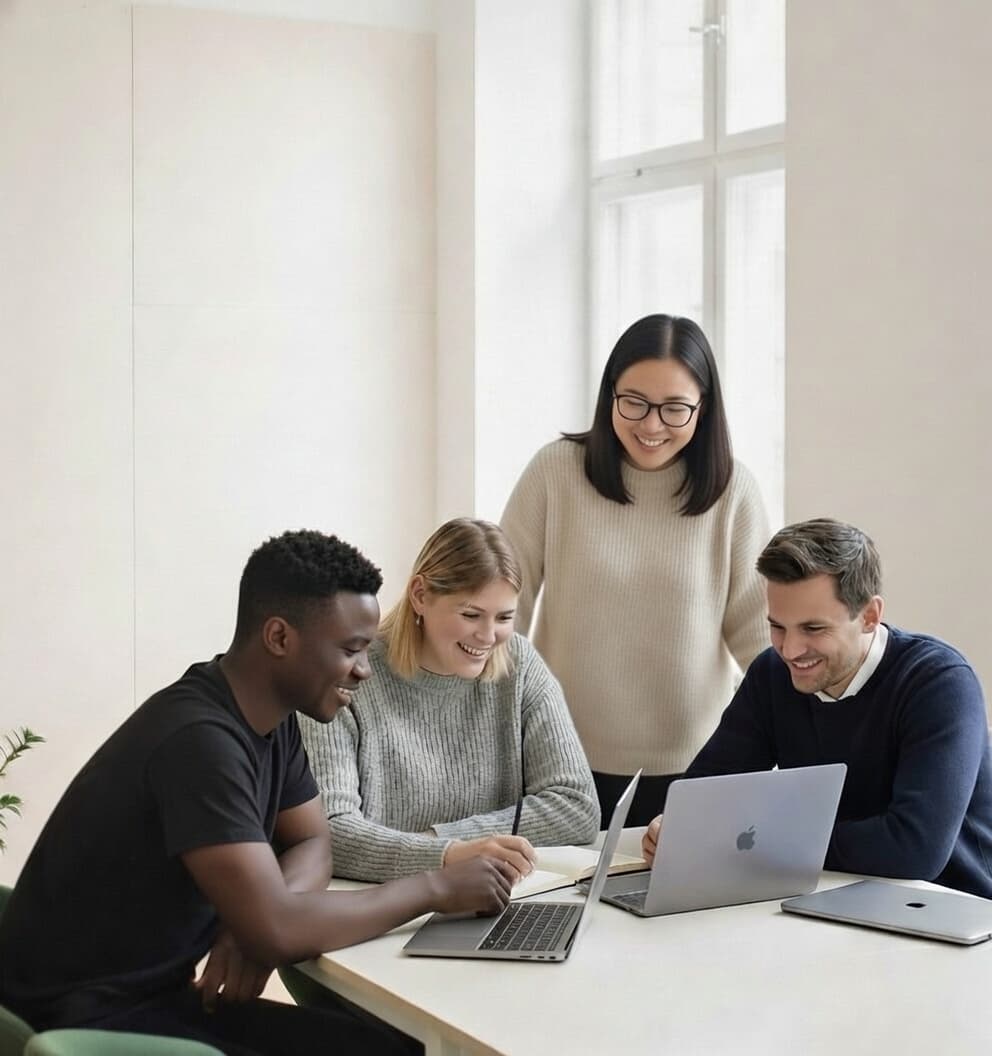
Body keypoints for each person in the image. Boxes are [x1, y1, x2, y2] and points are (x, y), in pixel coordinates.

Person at [0, 530, 515, 1056]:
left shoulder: (272, 718)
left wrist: (258, 922)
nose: (363, 669)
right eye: (350, 650)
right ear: (279, 637)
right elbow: (278, 929)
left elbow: (313, 842)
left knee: (391, 1047)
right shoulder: (199, 742)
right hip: (84, 1022)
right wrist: (434, 887)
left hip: (150, 1002)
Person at [500, 314, 769, 826]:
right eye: (635, 402)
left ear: (704, 408)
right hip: (559, 762)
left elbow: (759, 640)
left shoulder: (734, 491)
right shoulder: (556, 471)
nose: (651, 425)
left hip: (694, 769)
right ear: (610, 395)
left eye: (674, 408)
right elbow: (504, 612)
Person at [642, 518, 992, 899]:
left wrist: (756, 843)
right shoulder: (772, 674)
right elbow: (702, 797)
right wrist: (676, 828)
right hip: (827, 898)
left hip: (950, 907)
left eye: (813, 629)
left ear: (869, 616)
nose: (790, 650)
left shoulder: (939, 684)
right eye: (778, 627)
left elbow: (914, 849)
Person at [300, 518, 599, 883]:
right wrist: (447, 855)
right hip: (378, 902)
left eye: (504, 617)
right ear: (420, 595)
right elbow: (328, 833)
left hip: (497, 895)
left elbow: (578, 806)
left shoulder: (519, 665)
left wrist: (445, 841)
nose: (488, 636)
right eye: (471, 614)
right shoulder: (345, 677)